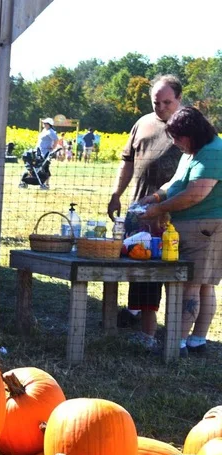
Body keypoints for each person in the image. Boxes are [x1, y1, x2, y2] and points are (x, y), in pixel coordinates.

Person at [106, 74, 184, 350]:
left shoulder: (187, 125)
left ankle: (159, 333)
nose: (161, 107)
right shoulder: (142, 123)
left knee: (158, 269)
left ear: (179, 100)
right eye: (156, 102)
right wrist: (117, 194)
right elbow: (127, 162)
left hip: (170, 212)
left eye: (167, 102)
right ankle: (134, 314)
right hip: (138, 208)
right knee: (133, 260)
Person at [139, 106, 222, 356]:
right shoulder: (193, 151)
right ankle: (196, 341)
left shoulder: (213, 153)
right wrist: (155, 196)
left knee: (192, 285)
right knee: (204, 284)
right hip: (197, 227)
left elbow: (195, 194)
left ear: (193, 133)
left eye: (177, 137)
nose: (175, 143)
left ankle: (177, 344)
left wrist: (158, 209)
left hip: (203, 229)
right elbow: (176, 183)